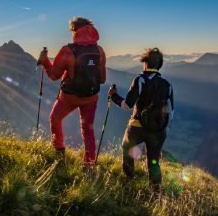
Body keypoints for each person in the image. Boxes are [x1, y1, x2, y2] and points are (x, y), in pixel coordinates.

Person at [37, 16, 106, 174]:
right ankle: (89, 165)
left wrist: (45, 61)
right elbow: (102, 79)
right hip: (91, 97)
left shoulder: (68, 50)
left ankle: (60, 151)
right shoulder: (99, 50)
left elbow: (54, 75)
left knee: (55, 118)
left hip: (69, 97)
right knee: (88, 129)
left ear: (75, 31)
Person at [108, 48, 174, 193]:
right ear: (160, 65)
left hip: (137, 126)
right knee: (154, 160)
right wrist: (164, 129)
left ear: (145, 63)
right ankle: (156, 193)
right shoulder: (167, 85)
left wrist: (114, 96)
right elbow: (171, 112)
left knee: (127, 148)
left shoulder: (140, 80)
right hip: (159, 130)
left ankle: (129, 183)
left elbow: (127, 105)